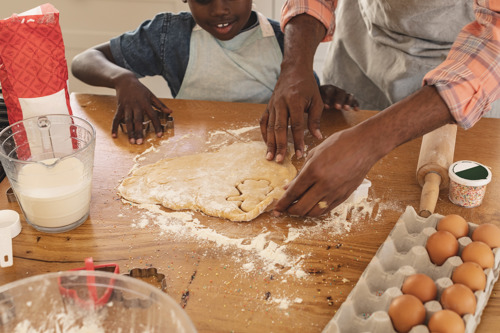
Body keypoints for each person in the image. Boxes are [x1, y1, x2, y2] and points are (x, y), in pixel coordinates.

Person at [261, 0, 500, 217]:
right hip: (362, 45)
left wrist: (369, 142)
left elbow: (494, 46)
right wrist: (294, 66)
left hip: (459, 68)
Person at [71, 0, 358, 145]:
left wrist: (321, 95)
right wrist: (123, 79)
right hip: (195, 159)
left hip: (268, 154)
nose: (220, 10)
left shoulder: (288, 41)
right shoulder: (169, 36)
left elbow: (301, 97)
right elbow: (85, 60)